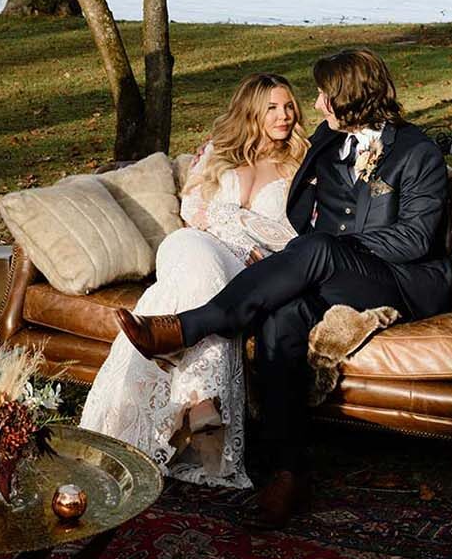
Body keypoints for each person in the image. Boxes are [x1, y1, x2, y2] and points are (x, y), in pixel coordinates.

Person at [116, 48, 452, 528]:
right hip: (334, 275)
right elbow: (293, 200)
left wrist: (332, 252)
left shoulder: (417, 151)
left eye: (323, 96)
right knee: (281, 318)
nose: (314, 105)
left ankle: (189, 326)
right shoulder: (327, 140)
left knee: (317, 249)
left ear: (350, 99)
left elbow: (415, 239)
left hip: (402, 281)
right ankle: (288, 471)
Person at [80, 73, 310, 488]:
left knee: (186, 289)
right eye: (273, 107)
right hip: (189, 247)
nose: (284, 116)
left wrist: (234, 226)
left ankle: (183, 404)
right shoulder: (217, 153)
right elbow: (192, 209)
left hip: (246, 269)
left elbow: (296, 237)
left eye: (289, 106)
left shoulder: (301, 166)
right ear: (251, 112)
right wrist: (241, 223)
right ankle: (201, 401)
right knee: (192, 250)